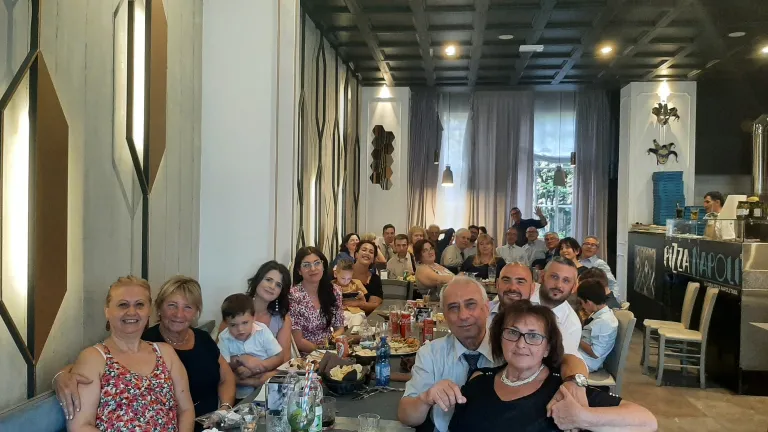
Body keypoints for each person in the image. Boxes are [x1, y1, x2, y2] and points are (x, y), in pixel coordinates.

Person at [397, 277, 591, 432]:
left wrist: (575, 382)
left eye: (471, 305)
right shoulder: (431, 353)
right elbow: (407, 416)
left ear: (486, 308)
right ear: (444, 315)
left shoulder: (511, 345)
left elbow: (567, 358)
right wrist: (426, 398)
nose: (464, 315)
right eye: (453, 308)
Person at [56, 276, 236, 429]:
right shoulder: (93, 357)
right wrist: (59, 375)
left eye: (139, 304)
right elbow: (80, 426)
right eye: (123, 305)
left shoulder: (165, 352)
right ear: (107, 311)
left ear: (148, 311)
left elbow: (186, 409)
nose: (131, 311)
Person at [449, 300, 657, 432]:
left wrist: (583, 418)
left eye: (533, 336)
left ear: (547, 348)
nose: (521, 343)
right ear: (499, 338)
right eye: (512, 332)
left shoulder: (564, 390)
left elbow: (647, 421)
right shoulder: (479, 380)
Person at [217, 294, 284, 400]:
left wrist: (258, 367)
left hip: (266, 388)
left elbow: (278, 357)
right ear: (226, 323)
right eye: (233, 325)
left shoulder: (262, 331)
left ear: (253, 317)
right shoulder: (224, 337)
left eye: (245, 323)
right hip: (239, 393)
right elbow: (223, 366)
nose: (240, 329)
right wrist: (239, 362)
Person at [290, 247, 345, 354]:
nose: (313, 268)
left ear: (323, 266)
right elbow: (298, 341)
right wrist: (322, 351)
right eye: (306, 265)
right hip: (307, 357)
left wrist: (334, 339)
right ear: (299, 271)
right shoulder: (293, 296)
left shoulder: (334, 290)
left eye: (317, 263)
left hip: (331, 350)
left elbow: (340, 327)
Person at [576, 280, 619, 372]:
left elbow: (596, 353)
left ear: (588, 302)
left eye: (581, 302)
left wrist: (575, 339)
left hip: (586, 362)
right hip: (580, 355)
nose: (582, 306)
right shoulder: (599, 315)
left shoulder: (604, 322)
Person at [344, 240, 384, 315]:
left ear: (373, 259)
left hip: (364, 319)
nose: (367, 253)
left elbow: (375, 304)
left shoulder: (375, 279)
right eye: (364, 250)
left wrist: (359, 304)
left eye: (371, 252)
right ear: (356, 254)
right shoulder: (343, 272)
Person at [579, 235, 620, 301]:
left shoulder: (599, 263)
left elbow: (612, 284)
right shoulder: (577, 261)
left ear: (597, 249)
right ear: (582, 246)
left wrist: (612, 301)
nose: (589, 247)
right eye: (587, 244)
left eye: (593, 245)